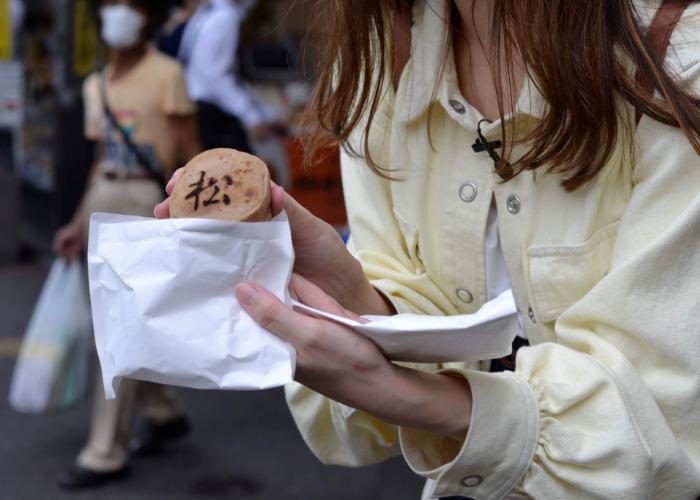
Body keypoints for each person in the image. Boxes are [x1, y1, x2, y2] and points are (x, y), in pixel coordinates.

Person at [156, 0, 700, 498]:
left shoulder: (675, 56)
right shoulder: (387, 55)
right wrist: (352, 296)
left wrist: (419, 398)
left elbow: (668, 433)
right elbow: (364, 434)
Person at [54, 0, 201, 488]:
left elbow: (192, 156)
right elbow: (99, 159)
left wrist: (195, 225)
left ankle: (104, 451)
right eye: (111, 5)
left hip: (146, 199)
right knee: (120, 324)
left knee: (119, 329)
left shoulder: (168, 73)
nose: (118, 13)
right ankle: (164, 412)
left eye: (129, 4)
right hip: (105, 197)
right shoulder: (96, 83)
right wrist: (78, 220)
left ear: (146, 17)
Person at [177, 0, 276, 151]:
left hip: (201, 107)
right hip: (213, 112)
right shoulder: (225, 18)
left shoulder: (208, 12)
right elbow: (217, 75)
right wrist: (251, 117)